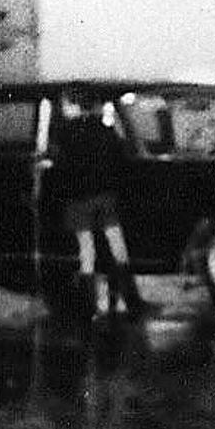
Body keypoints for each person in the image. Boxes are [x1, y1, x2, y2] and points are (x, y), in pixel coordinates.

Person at [52, 97, 151, 318]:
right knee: (117, 245)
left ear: (74, 106)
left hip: (78, 198)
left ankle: (89, 304)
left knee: (86, 251)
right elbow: (119, 157)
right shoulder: (105, 129)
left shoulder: (65, 133)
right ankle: (130, 298)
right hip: (104, 195)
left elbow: (59, 164)